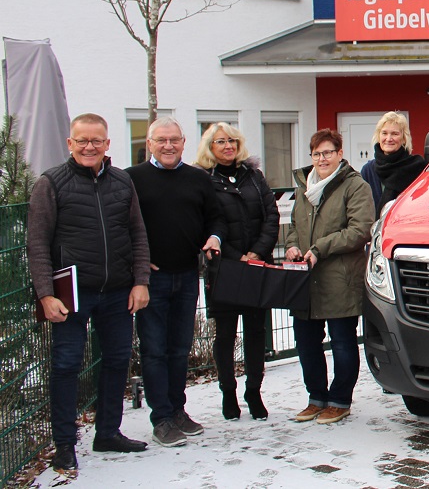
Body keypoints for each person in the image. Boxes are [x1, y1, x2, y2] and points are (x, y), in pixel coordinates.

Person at [26, 114, 151, 473]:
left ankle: (108, 432)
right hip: (70, 294)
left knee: (116, 362)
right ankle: (64, 445)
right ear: (70, 143)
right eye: (82, 140)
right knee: (65, 366)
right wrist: (45, 294)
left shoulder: (122, 182)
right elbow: (37, 245)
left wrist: (140, 281)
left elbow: (138, 234)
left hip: (116, 292)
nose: (89, 147)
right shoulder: (51, 184)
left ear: (107, 144)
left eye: (96, 141)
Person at [127, 117, 224, 447]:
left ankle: (177, 410)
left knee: (179, 349)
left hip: (186, 276)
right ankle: (162, 418)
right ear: (149, 144)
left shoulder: (198, 178)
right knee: (154, 351)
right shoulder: (132, 179)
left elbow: (215, 216)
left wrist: (214, 237)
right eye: (161, 140)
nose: (168, 146)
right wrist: (136, 261)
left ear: (184, 143)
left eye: (174, 140)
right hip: (150, 280)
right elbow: (118, 225)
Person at [285, 129, 374, 425]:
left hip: (340, 278)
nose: (321, 159)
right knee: (306, 343)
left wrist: (319, 248)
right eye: (316, 154)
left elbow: (360, 229)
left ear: (339, 153)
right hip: (305, 281)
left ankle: (339, 399)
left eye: (327, 152)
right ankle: (316, 397)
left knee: (342, 343)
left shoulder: (354, 185)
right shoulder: (304, 185)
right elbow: (292, 225)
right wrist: (292, 246)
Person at [194, 122, 280, 421]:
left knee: (257, 332)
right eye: (220, 142)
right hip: (224, 269)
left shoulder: (253, 177)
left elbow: (271, 215)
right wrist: (234, 256)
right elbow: (205, 223)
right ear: (210, 147)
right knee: (226, 336)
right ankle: (228, 393)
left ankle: (254, 392)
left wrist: (256, 252)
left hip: (257, 265)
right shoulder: (203, 179)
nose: (227, 146)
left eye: (232, 140)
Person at [358, 111, 425, 215]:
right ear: (379, 136)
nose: (389, 139)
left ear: (403, 138)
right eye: (384, 133)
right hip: (375, 229)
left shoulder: (417, 167)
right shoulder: (368, 170)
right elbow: (362, 209)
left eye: (395, 134)